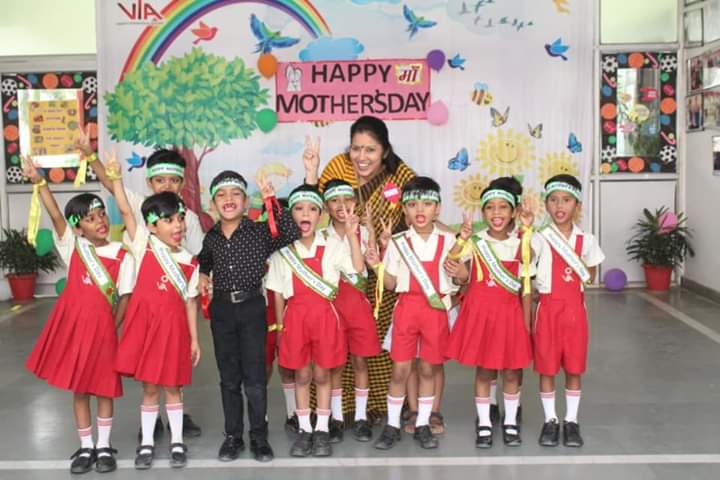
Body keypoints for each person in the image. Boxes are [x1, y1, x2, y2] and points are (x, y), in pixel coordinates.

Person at [84, 134, 203, 438]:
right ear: (150, 182)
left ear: (182, 183)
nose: (166, 185)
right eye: (160, 180)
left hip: (173, 301)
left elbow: (196, 259)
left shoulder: (189, 219)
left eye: (173, 180)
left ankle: (178, 416)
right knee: (147, 363)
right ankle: (150, 421)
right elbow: (112, 186)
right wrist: (91, 156)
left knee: (173, 364)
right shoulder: (139, 205)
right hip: (143, 300)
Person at [23, 158, 134, 474]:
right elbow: (55, 215)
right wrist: (39, 181)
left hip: (103, 332)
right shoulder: (73, 247)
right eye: (90, 218)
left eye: (101, 215)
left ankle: (104, 446)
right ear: (77, 227)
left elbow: (125, 298)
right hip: (74, 332)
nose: (99, 222)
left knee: (104, 388)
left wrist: (113, 326)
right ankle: (86, 447)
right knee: (80, 388)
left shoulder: (122, 255)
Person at [303, 116, 416, 422]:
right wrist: (311, 174)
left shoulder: (401, 176)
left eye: (370, 150)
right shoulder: (338, 167)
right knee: (334, 346)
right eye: (356, 148)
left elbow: (417, 216)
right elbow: (310, 206)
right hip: (338, 274)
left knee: (374, 348)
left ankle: (377, 407)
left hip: (381, 278)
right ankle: (336, 411)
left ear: (384, 150)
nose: (361, 157)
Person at [197, 171, 299, 463]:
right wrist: (203, 273)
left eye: (235, 194)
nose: (228, 199)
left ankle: (259, 437)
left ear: (245, 202)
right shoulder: (211, 237)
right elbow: (204, 260)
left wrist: (271, 200)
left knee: (255, 378)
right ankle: (233, 436)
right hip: (222, 311)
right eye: (221, 195)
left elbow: (291, 231)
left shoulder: (260, 232)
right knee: (229, 378)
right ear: (213, 204)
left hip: (252, 308)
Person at [111, 161, 201, 470]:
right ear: (151, 226)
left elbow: (190, 302)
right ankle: (147, 443)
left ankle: (177, 441)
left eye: (180, 219)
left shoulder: (190, 261)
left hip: (174, 331)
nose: (177, 226)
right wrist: (115, 178)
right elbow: (125, 210)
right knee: (149, 389)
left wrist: (194, 339)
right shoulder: (142, 245)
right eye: (168, 221)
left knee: (173, 388)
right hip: (147, 329)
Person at [266, 184, 365, 457]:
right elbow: (277, 294)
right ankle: (304, 430)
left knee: (322, 374)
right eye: (299, 209)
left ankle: (322, 429)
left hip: (325, 317)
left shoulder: (332, 245)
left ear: (320, 215)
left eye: (312, 209)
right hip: (295, 319)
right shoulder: (283, 251)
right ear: (291, 216)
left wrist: (352, 235)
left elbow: (357, 269)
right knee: (302, 375)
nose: (305, 214)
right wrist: (280, 328)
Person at [365, 177, 458, 450]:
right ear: (404, 209)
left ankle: (423, 424)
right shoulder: (398, 242)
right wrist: (377, 266)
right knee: (400, 370)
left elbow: (459, 278)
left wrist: (461, 273)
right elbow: (391, 284)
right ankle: (392, 425)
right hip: (406, 309)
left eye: (427, 204)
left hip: (435, 311)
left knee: (428, 369)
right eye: (413, 204)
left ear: (437, 209)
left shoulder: (449, 240)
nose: (420, 210)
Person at [444, 178, 534, 448]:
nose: (496, 213)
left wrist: (527, 323)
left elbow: (526, 283)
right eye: (490, 207)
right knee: (484, 371)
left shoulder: (521, 242)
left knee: (511, 371)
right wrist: (462, 237)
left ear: (514, 212)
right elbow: (452, 262)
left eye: (503, 207)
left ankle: (510, 422)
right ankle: (484, 422)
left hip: (510, 316)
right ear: (482, 212)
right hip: (482, 316)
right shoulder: (476, 241)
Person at [531, 174, 605, 448]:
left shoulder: (587, 240)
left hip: (575, 312)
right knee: (547, 368)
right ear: (546, 204)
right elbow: (527, 266)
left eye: (566, 200)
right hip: (547, 310)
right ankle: (550, 420)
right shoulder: (539, 238)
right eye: (553, 200)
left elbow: (591, 274)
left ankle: (571, 420)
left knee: (574, 368)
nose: (559, 206)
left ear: (577, 205)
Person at [320, 179, 382, 443]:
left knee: (360, 361)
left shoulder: (364, 232)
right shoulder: (321, 237)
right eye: (334, 201)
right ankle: (335, 419)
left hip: (357, 305)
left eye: (347, 199)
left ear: (355, 202)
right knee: (334, 364)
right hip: (332, 306)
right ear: (326, 206)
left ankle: (360, 417)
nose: (342, 206)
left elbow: (372, 264)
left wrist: (372, 235)